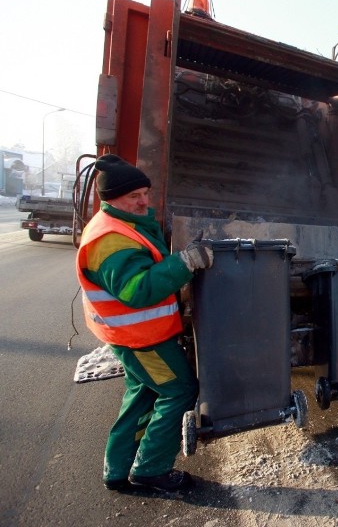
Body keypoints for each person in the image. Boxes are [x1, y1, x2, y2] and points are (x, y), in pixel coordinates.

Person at [76, 154, 213, 492]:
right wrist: (184, 263)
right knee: (180, 390)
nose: (143, 201)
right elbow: (136, 290)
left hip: (134, 334)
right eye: (133, 196)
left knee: (142, 395)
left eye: (145, 193)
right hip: (140, 338)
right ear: (111, 199)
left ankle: (118, 470)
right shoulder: (109, 239)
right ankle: (151, 469)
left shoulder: (124, 225)